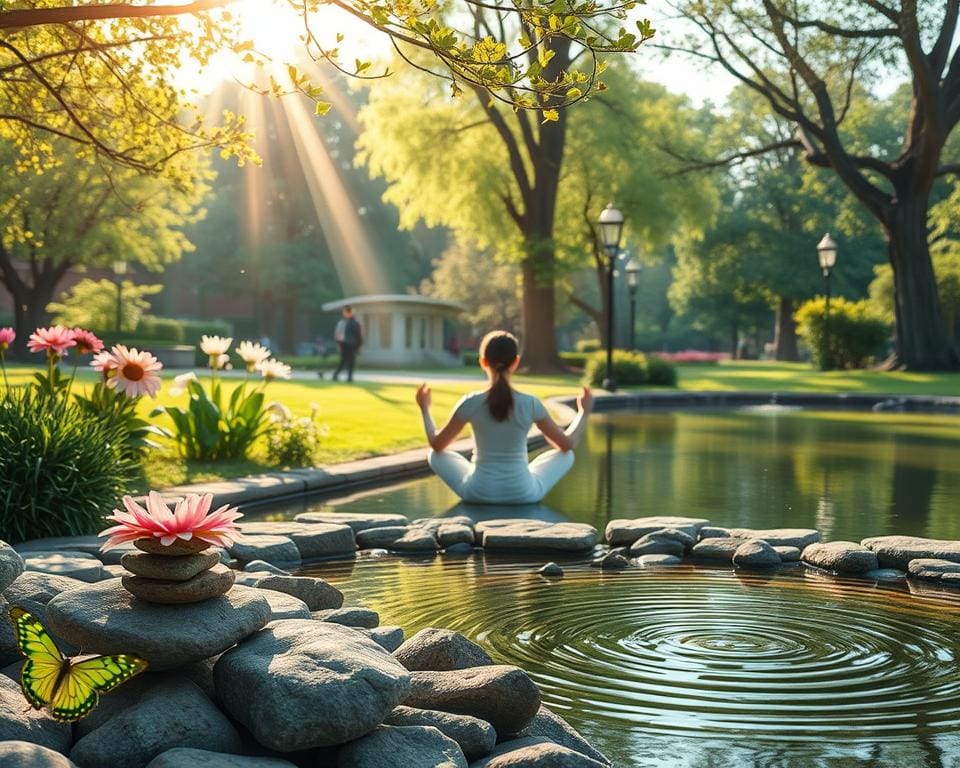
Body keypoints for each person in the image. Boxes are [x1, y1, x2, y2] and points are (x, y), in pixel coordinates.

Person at [416, 330, 593, 504]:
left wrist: (425, 408)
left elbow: (437, 444)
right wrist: (583, 412)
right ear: (515, 362)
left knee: (435, 455)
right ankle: (520, 475)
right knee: (566, 455)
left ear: (483, 362)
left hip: (477, 493)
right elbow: (566, 444)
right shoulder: (530, 403)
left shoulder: (470, 402)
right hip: (524, 494)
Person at [331, 306, 363, 382]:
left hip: (347, 344)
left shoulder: (345, 323)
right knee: (348, 361)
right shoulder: (354, 323)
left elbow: (338, 335)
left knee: (346, 361)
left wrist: (339, 343)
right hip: (349, 344)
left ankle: (343, 376)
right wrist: (359, 345)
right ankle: (345, 376)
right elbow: (359, 336)